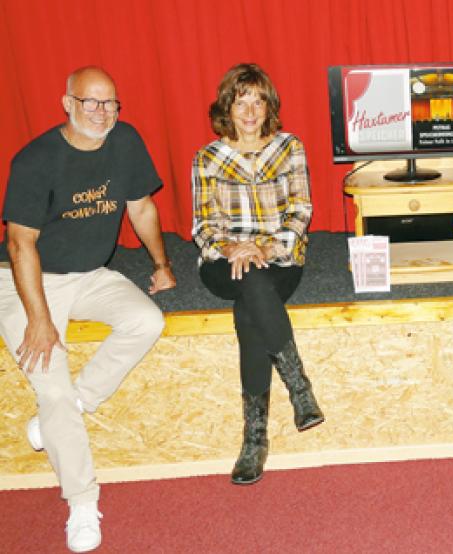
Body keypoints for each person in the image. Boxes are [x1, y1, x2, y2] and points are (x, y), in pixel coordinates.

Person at [0, 66, 176, 552]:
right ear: (67, 103)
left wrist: (161, 264)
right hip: (27, 282)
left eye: (110, 104)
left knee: (146, 320)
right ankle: (81, 501)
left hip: (90, 274)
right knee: (50, 387)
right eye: (91, 103)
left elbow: (141, 207)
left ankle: (80, 402)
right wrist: (39, 319)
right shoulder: (36, 160)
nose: (102, 113)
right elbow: (20, 245)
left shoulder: (126, 141)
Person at [192, 63, 323, 486]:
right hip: (222, 262)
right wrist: (233, 248)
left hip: (279, 258)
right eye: (240, 101)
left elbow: (301, 211)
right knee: (248, 277)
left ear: (269, 107)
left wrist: (265, 247)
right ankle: (298, 386)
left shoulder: (290, 148)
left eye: (258, 101)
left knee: (252, 300)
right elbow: (203, 226)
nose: (249, 111)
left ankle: (254, 440)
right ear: (226, 108)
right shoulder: (207, 159)